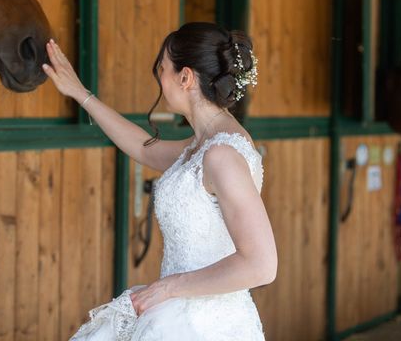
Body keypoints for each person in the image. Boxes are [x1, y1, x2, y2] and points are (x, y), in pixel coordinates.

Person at [42, 22, 277, 340]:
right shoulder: (204, 145)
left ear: (186, 77)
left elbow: (261, 264)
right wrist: (80, 94)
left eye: (163, 69)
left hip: (202, 326)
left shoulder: (221, 155)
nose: (159, 80)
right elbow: (142, 147)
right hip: (176, 310)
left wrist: (169, 288)